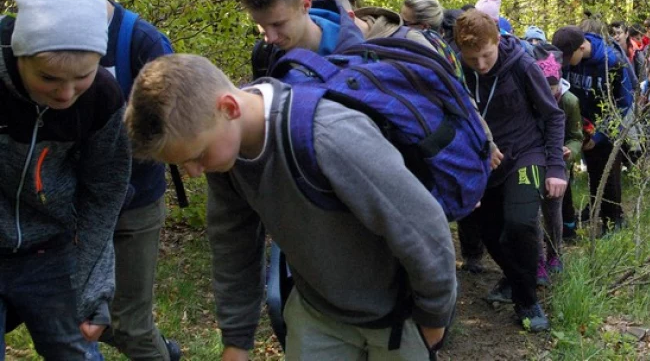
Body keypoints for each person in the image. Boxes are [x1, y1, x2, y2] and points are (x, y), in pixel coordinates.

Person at [124, 54, 457, 360]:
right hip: (317, 311)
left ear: (229, 108)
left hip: (398, 317)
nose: (194, 171)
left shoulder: (328, 136)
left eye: (196, 156)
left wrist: (433, 316)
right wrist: (237, 339)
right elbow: (234, 247)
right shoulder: (225, 158)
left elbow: (421, 226)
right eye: (183, 164)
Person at [35, 0, 182, 361]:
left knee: (128, 326)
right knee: (73, 324)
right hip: (64, 211)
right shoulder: (26, 38)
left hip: (132, 209)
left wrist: (122, 128)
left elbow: (177, 134)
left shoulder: (139, 42)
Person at [0, 0, 131, 358]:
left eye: (82, 77)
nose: (66, 94)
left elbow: (103, 194)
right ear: (21, 55)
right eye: (49, 79)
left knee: (74, 350)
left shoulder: (104, 98)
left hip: (50, 249)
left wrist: (95, 285)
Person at [454, 11, 566, 332]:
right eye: (473, 58)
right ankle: (516, 278)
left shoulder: (521, 65)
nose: (482, 64)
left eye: (487, 55)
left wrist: (555, 166)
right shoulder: (457, 70)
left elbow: (554, 116)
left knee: (520, 224)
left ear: (498, 42)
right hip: (484, 162)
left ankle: (527, 301)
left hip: (525, 154)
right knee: (491, 234)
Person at [552, 25, 636, 234]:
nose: (564, 64)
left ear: (581, 48)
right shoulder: (570, 61)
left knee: (607, 173)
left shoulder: (612, 62)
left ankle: (614, 220)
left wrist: (599, 136)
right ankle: (596, 208)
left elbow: (623, 105)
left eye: (568, 58)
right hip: (581, 125)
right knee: (592, 171)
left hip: (607, 127)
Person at [241, 0, 364, 80]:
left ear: (305, 5)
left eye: (277, 24)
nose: (269, 38)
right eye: (261, 25)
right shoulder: (263, 55)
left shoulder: (355, 55)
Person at [534, 53, 583, 276]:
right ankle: (537, 259)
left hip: (557, 161)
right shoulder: (529, 96)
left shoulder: (569, 101)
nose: (550, 93)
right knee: (532, 212)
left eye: (553, 89)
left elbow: (576, 136)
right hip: (532, 159)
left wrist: (569, 150)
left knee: (553, 211)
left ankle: (555, 252)